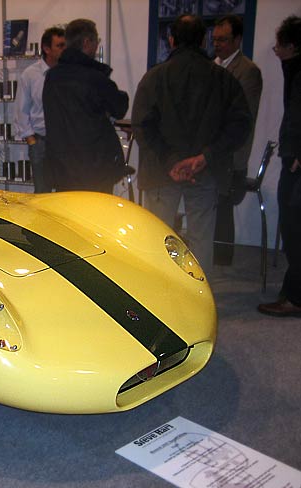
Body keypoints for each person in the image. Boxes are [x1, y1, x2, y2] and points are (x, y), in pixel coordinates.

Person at [131, 14, 251, 272]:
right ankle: (198, 293)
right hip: (205, 170)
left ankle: (160, 292)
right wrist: (205, 156)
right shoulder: (223, 79)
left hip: (162, 171)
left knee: (158, 239)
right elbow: (240, 125)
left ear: (171, 40)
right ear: (203, 40)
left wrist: (170, 161)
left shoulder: (154, 77)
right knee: (201, 240)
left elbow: (142, 125)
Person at [42, 18, 128, 193]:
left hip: (62, 167)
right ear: (87, 42)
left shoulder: (52, 77)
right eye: (97, 41)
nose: (97, 46)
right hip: (94, 167)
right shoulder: (93, 77)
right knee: (96, 210)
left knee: (66, 209)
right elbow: (119, 108)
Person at [258, 16, 301, 317]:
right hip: (294, 158)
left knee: (294, 230)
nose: (276, 51)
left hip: (297, 164)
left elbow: (297, 117)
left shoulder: (299, 73)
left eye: (279, 46)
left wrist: (297, 151)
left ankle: (295, 298)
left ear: (292, 46)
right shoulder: (295, 70)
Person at [212, 14, 263, 265]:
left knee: (224, 205)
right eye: (214, 39)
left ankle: (222, 260)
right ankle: (214, 255)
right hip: (212, 149)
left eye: (223, 39)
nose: (217, 44)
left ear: (237, 40)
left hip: (233, 153)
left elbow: (244, 117)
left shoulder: (248, 71)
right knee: (212, 204)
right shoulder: (213, 65)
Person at [13, 26, 65, 192]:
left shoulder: (67, 73)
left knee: (65, 192)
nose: (64, 49)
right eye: (59, 45)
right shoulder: (30, 75)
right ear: (46, 49)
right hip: (40, 141)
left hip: (64, 142)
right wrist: (32, 141)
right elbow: (21, 110)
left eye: (65, 45)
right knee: (42, 193)